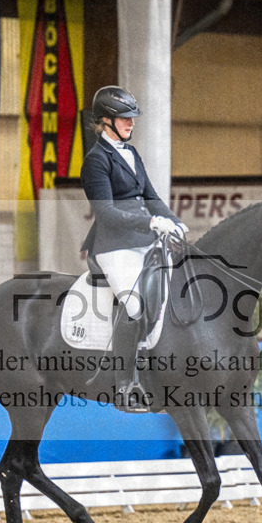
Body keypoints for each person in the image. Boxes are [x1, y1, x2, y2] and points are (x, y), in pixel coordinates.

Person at [79, 85, 187, 411]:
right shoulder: (95, 161)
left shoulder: (132, 153)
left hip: (143, 241)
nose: (131, 123)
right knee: (134, 305)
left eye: (132, 117)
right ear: (106, 121)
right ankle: (125, 385)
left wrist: (174, 222)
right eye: (125, 118)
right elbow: (106, 214)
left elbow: (151, 197)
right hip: (113, 247)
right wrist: (150, 223)